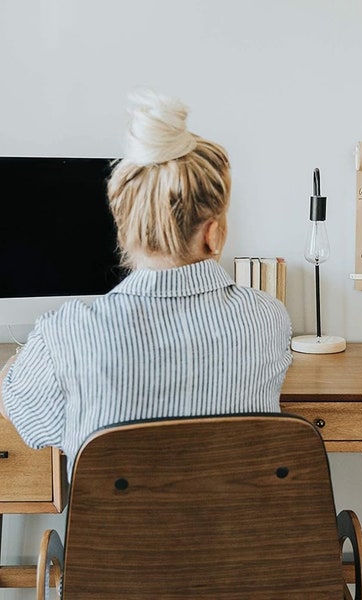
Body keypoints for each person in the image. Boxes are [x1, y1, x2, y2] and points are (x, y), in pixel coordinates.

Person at [0, 88, 292, 479]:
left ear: (124, 229)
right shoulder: (267, 318)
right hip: (242, 539)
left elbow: (34, 420)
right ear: (213, 233)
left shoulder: (65, 334)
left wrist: (18, 364)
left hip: (112, 544)